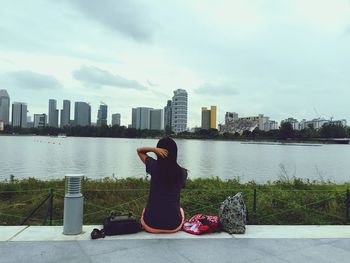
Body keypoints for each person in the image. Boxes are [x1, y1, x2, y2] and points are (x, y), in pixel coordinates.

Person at [137, 137, 187, 233]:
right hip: (174, 226)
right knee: (180, 210)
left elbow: (139, 151)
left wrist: (153, 149)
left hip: (150, 225)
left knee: (145, 210)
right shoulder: (182, 172)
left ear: (158, 152)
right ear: (175, 152)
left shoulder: (153, 166)